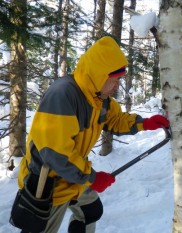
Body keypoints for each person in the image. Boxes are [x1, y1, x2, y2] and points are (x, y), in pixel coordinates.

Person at [16, 36, 169, 233]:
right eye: (114, 80)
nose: (116, 86)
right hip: (48, 183)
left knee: (90, 211)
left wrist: (145, 123)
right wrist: (91, 177)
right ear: (99, 75)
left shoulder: (99, 97)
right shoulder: (63, 95)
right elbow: (57, 154)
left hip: (73, 175)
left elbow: (115, 120)